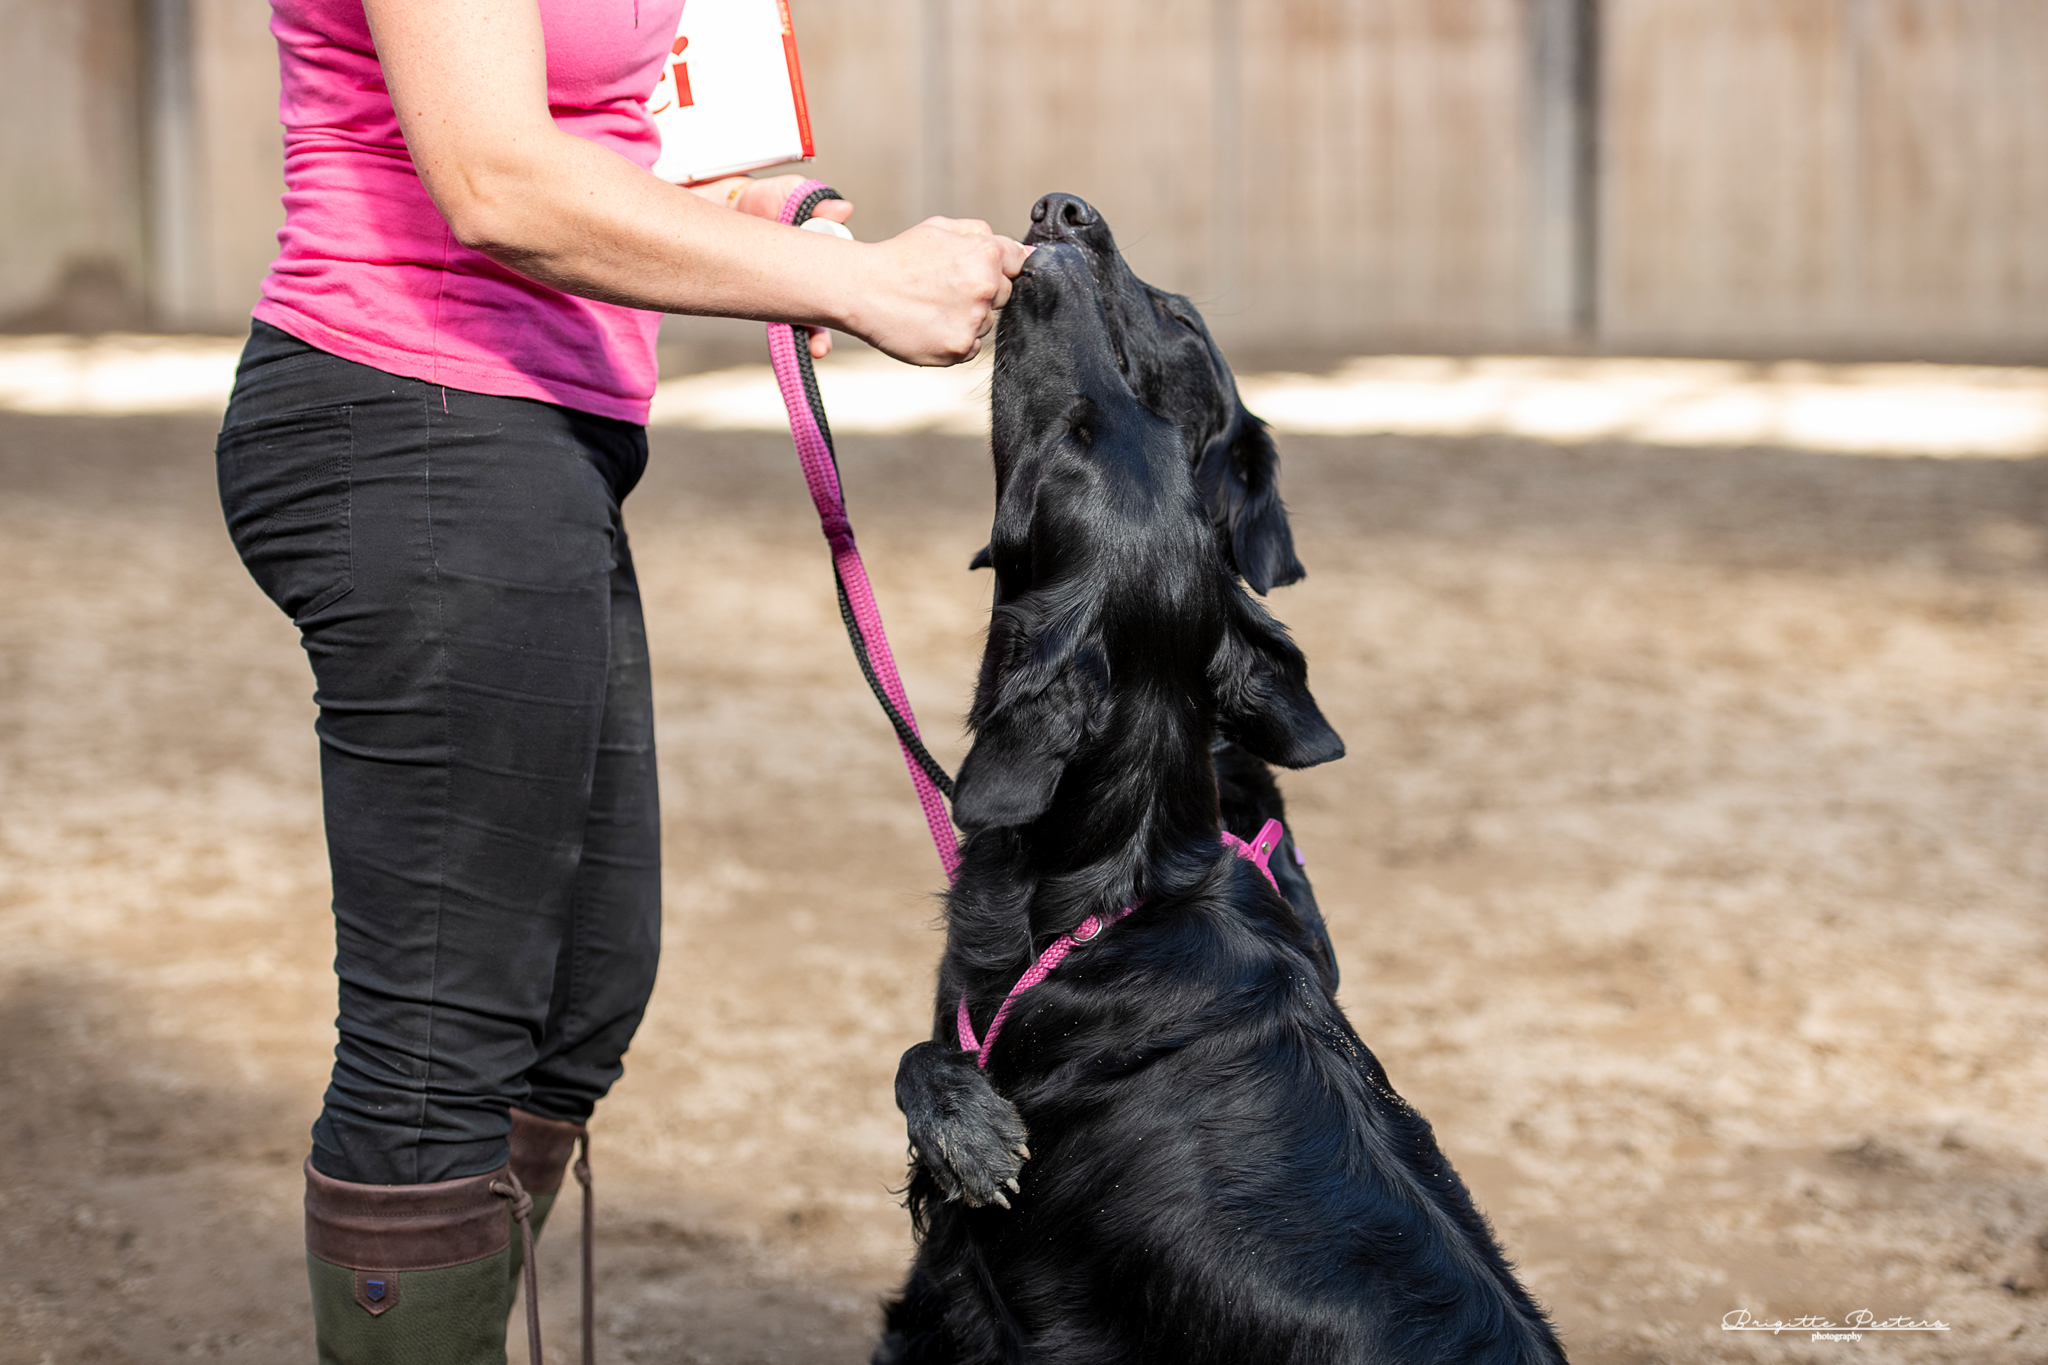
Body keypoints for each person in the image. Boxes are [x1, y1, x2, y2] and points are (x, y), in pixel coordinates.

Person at [214, 1, 1029, 1359]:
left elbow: (603, 147)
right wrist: (854, 285)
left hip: (536, 441)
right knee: (444, 1041)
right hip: (414, 410)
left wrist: (772, 225)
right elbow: (496, 178)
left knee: (580, 996)